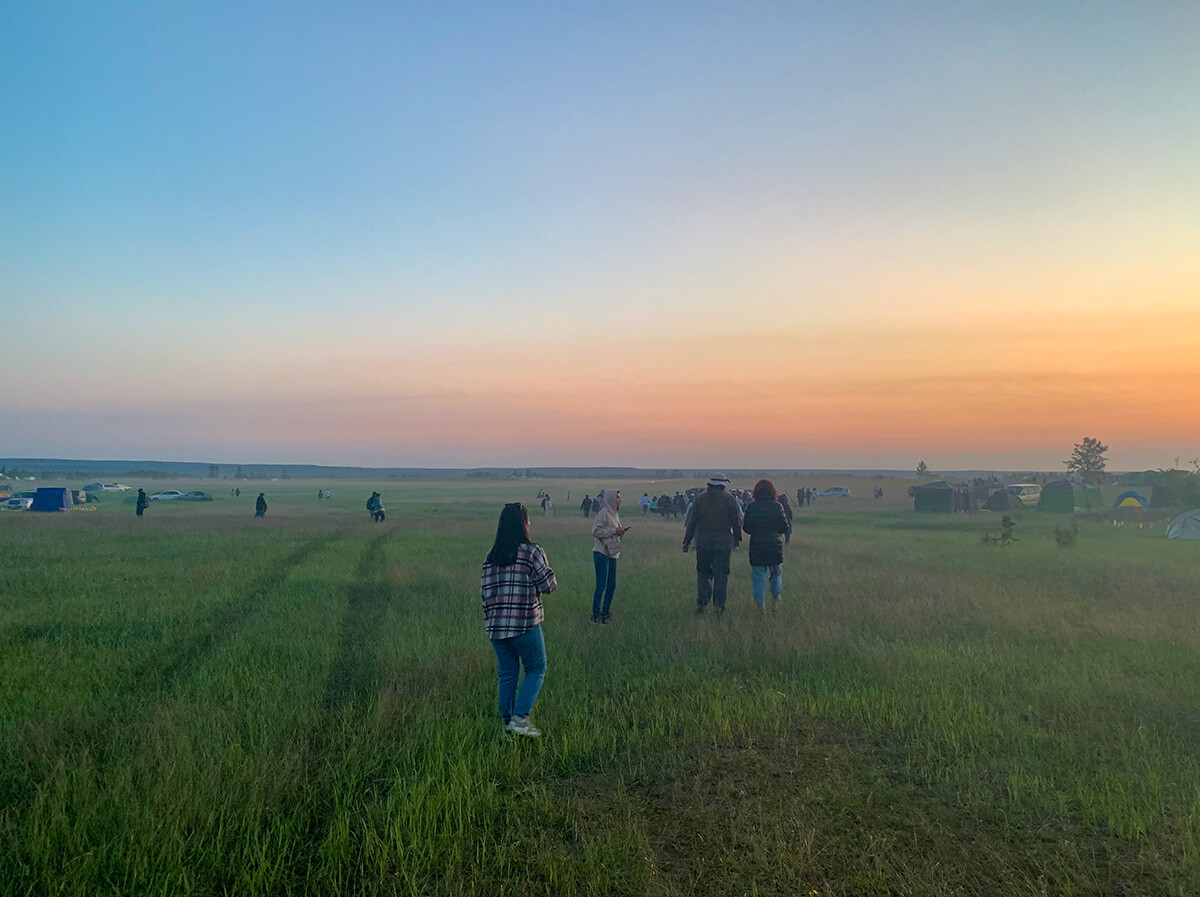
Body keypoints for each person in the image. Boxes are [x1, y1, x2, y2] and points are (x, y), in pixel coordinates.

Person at [480, 502, 557, 738]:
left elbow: (485, 592)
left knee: (507, 673)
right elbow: (548, 586)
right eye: (528, 520)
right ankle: (521, 718)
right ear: (523, 524)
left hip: (496, 627)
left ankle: (507, 724)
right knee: (536, 668)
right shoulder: (532, 552)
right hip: (524, 623)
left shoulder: (492, 556)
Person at [682, 473, 742, 617]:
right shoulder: (730, 499)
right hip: (723, 542)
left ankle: (702, 602)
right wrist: (737, 540)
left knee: (703, 572)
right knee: (721, 575)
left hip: (703, 542)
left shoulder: (700, 499)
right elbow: (736, 522)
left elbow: (692, 523)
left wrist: (686, 541)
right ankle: (719, 606)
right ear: (723, 485)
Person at [741, 480, 791, 614]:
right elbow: (785, 527)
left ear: (756, 492)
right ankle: (775, 600)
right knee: (776, 574)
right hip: (775, 546)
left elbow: (747, 528)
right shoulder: (777, 506)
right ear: (772, 492)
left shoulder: (751, 507)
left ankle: (761, 608)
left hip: (757, 546)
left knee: (758, 577)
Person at [591, 489, 628, 624]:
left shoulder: (615, 515)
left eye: (620, 498)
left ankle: (605, 613)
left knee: (612, 585)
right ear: (611, 499)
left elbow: (614, 531)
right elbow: (595, 531)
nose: (619, 500)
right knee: (602, 584)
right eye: (617, 498)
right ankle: (596, 615)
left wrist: (620, 533)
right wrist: (614, 530)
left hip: (613, 553)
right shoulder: (604, 513)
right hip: (601, 553)